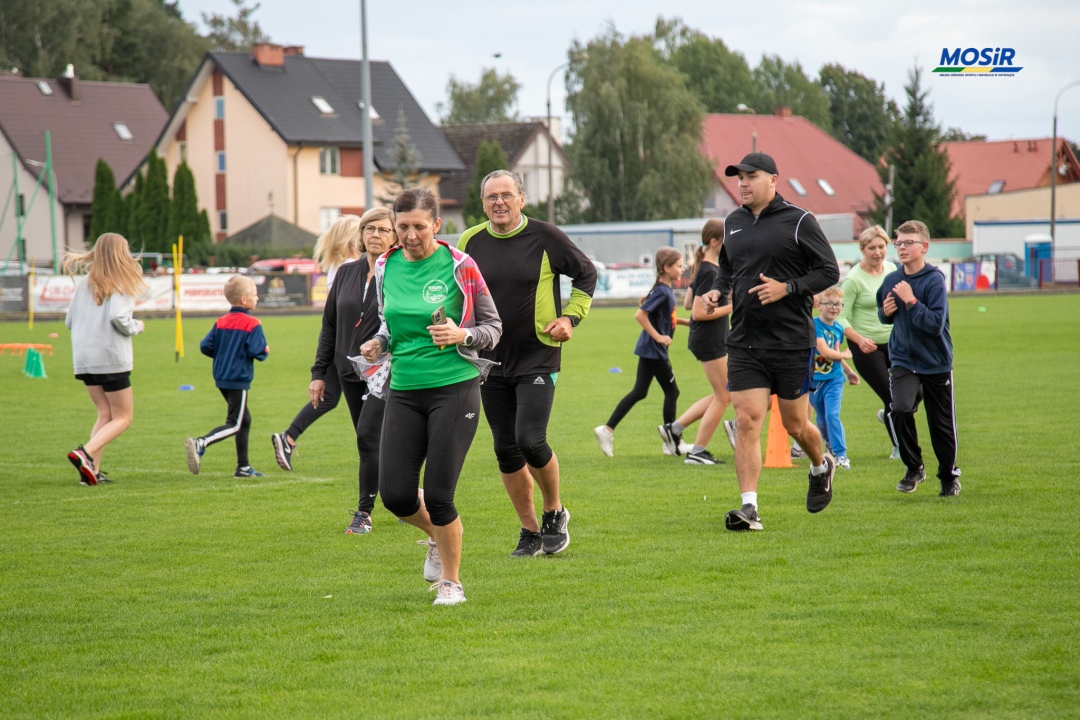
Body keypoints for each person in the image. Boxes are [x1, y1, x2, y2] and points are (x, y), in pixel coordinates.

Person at [360, 187, 502, 606]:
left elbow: (493, 328)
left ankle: (452, 584)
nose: (409, 235)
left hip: (454, 388)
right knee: (397, 496)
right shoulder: (386, 265)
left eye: (418, 227)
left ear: (437, 226)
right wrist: (378, 343)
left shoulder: (461, 265)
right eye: (401, 227)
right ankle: (436, 539)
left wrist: (463, 334)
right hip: (403, 390)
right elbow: (389, 324)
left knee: (440, 495)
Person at [457, 169, 596, 558]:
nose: (498, 202)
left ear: (522, 198)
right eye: (491, 197)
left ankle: (555, 511)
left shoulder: (545, 236)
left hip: (538, 354)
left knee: (529, 439)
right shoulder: (470, 240)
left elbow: (586, 273)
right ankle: (530, 531)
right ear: (482, 203)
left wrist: (570, 317)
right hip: (488, 359)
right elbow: (458, 290)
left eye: (506, 195)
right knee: (505, 449)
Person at [701, 152, 840, 531]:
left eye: (751, 176)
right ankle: (749, 508)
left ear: (774, 179)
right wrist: (718, 289)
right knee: (746, 420)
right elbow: (728, 266)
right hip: (745, 341)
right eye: (739, 178)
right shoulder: (733, 222)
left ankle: (820, 465)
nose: (743, 183)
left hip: (791, 341)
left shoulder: (799, 221)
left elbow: (829, 270)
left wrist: (788, 288)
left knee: (797, 425)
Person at [273, 210, 397, 535]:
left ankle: (364, 514)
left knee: (369, 437)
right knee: (372, 441)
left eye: (384, 229)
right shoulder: (345, 272)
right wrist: (319, 372)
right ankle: (404, 497)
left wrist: (381, 344)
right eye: (370, 228)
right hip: (347, 371)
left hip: (386, 372)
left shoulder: (402, 273)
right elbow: (330, 326)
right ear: (360, 234)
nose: (375, 234)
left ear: (396, 237)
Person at [271, 215, 363, 473]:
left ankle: (288, 437)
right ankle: (288, 437)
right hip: (347, 341)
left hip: (339, 340)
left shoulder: (337, 265)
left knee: (331, 396)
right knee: (348, 397)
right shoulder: (350, 265)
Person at [876, 220, 961, 496]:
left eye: (907, 242)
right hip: (902, 359)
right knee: (899, 409)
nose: (901, 247)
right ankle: (914, 468)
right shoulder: (891, 280)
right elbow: (884, 313)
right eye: (898, 242)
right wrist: (885, 312)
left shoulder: (934, 280)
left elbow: (935, 324)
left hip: (935, 361)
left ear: (924, 247)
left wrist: (911, 301)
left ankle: (948, 475)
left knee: (941, 425)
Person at [63, 233, 147, 486]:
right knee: (123, 417)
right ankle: (85, 453)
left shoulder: (85, 283)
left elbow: (69, 321)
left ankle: (92, 472)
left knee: (104, 413)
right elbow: (119, 318)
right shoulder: (121, 281)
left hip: (84, 358)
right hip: (110, 357)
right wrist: (137, 326)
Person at [595, 248, 688, 456]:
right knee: (672, 392)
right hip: (654, 350)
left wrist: (684, 322)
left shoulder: (664, 290)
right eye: (679, 266)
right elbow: (640, 315)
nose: (683, 269)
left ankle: (606, 430)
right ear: (666, 268)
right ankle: (672, 442)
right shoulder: (663, 292)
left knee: (640, 392)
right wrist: (658, 337)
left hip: (649, 350)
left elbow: (662, 318)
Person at [658, 219, 734, 466]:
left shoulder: (704, 267)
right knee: (724, 395)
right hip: (710, 339)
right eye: (727, 240)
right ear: (714, 242)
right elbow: (698, 312)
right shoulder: (710, 270)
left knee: (720, 393)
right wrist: (734, 306)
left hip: (708, 338)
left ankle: (675, 428)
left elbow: (689, 303)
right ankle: (697, 452)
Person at [185, 275, 269, 478]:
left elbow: (206, 346)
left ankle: (243, 467)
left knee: (244, 419)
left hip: (221, 377)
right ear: (243, 300)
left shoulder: (221, 322)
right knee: (235, 423)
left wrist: (224, 354)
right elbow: (259, 351)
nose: (257, 298)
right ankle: (201, 442)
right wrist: (264, 350)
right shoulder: (252, 323)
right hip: (238, 378)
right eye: (254, 295)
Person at [839, 225, 902, 459]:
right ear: (862, 249)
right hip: (866, 346)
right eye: (871, 248)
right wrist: (859, 339)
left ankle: (886, 415)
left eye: (881, 247)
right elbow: (841, 317)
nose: (877, 252)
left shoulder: (892, 270)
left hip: (895, 342)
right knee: (893, 398)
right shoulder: (854, 280)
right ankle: (899, 448)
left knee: (914, 392)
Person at [809, 286, 860, 470]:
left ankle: (840, 455)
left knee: (832, 414)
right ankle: (829, 445)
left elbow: (835, 352)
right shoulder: (814, 325)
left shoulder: (839, 329)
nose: (834, 308)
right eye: (829, 303)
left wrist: (848, 371)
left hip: (834, 380)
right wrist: (845, 355)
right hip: (814, 382)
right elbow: (823, 350)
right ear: (818, 306)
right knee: (822, 421)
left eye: (838, 304)